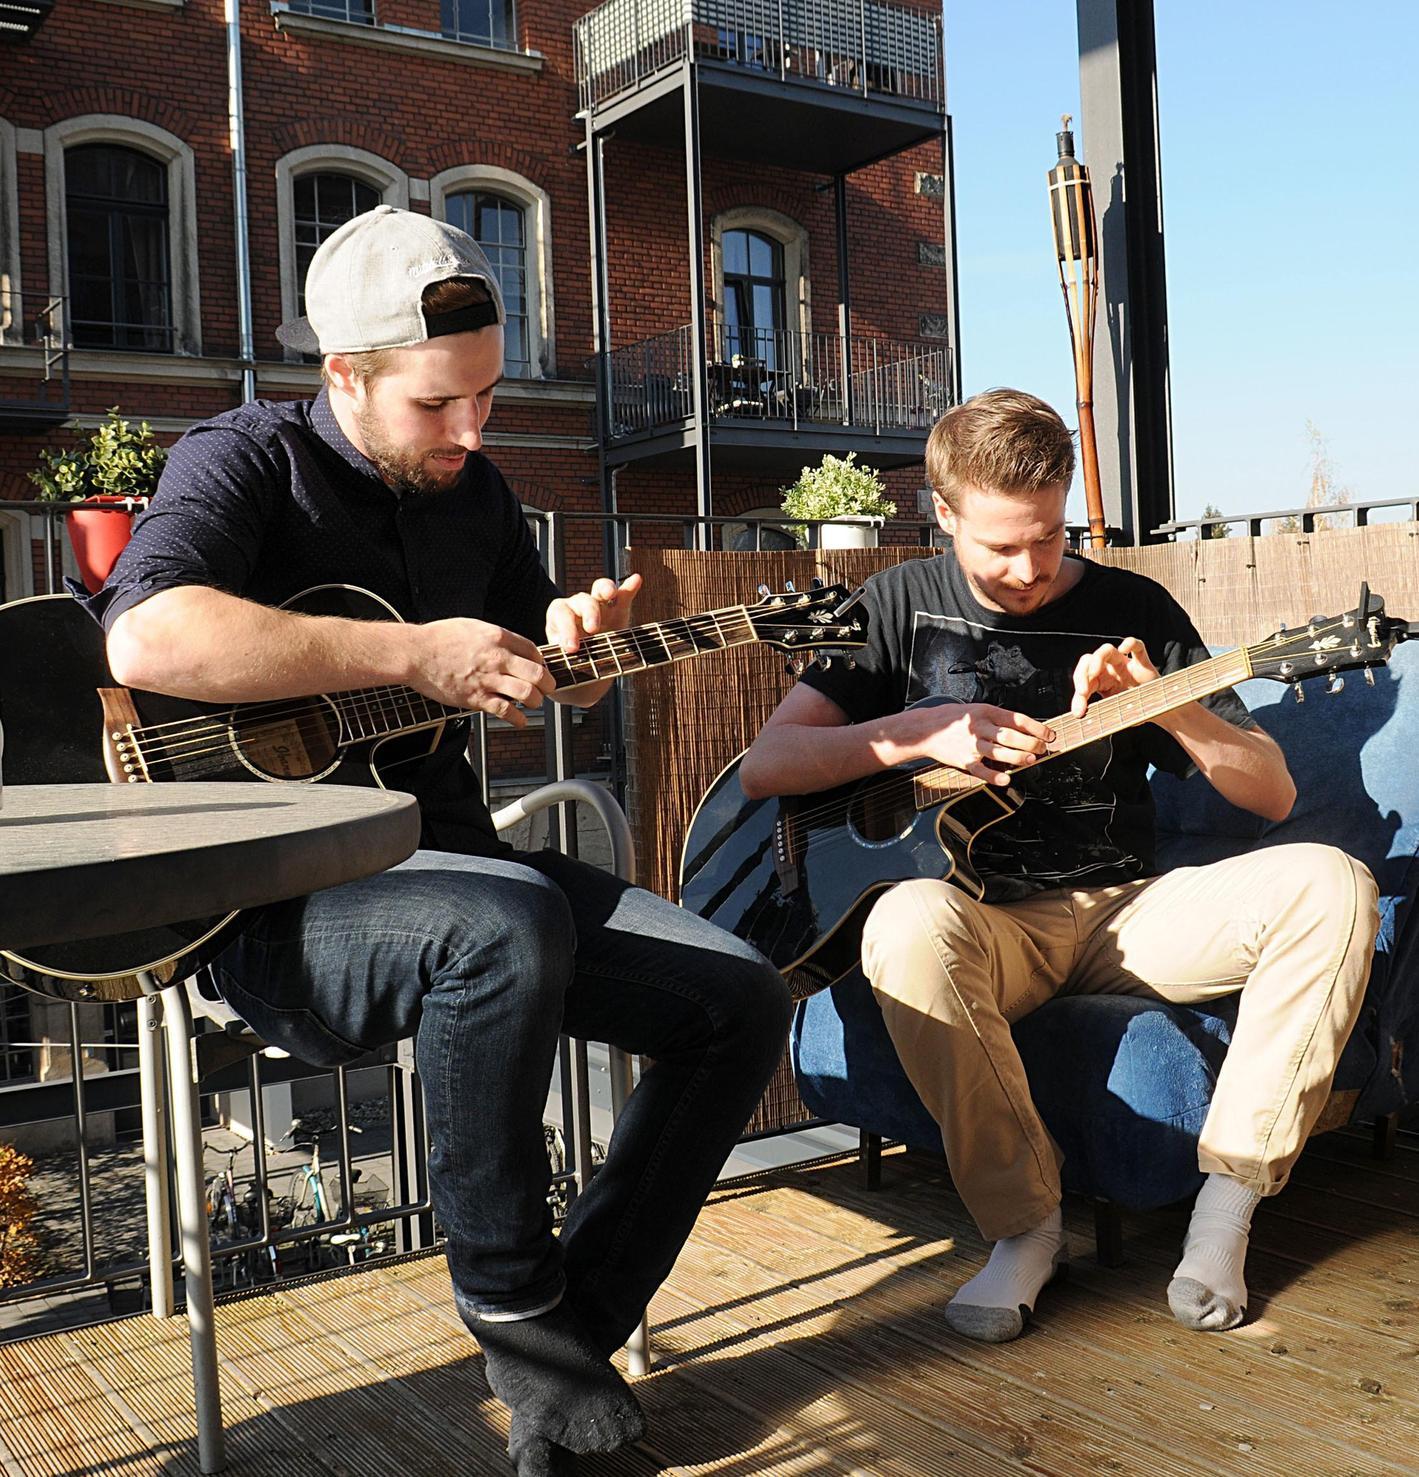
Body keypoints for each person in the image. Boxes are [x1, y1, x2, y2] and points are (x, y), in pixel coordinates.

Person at [86, 206, 792, 1475]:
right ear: (343, 375)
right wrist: (410, 648)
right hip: (276, 910)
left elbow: (521, 662)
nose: (472, 430)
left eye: (486, 396)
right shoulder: (240, 461)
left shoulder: (485, 495)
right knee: (503, 924)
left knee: (740, 995)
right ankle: (527, 1330)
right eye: (436, 406)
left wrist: (567, 647)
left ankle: (559, 1353)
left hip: (459, 869)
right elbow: (147, 640)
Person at [739, 387, 1379, 1343]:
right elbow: (768, 766)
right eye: (999, 545)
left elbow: (1271, 795)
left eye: (1049, 535)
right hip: (983, 921)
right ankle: (1025, 1229)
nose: (1031, 567)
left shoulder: (1132, 606)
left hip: (1130, 909)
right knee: (904, 922)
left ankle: (1224, 1209)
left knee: (1334, 881)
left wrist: (1170, 703)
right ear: (942, 512)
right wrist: (914, 732)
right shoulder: (893, 605)